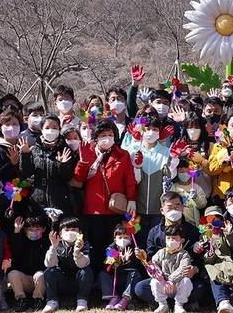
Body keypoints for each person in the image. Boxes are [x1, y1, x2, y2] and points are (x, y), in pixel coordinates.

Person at [74, 119, 135, 276]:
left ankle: (113, 274)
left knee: (114, 243)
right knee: (97, 244)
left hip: (116, 207)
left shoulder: (123, 155)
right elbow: (79, 179)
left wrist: (132, 199)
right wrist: (83, 161)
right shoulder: (89, 152)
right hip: (94, 208)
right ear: (95, 137)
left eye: (110, 134)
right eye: (102, 135)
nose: (107, 137)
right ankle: (97, 277)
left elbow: (129, 179)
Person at [124, 113, 171, 240]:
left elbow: (170, 176)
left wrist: (175, 160)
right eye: (148, 129)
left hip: (158, 209)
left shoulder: (166, 152)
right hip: (138, 208)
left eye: (155, 129)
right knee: (139, 241)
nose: (151, 132)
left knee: (156, 240)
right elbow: (131, 180)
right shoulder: (132, 150)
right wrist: (137, 167)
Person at [23, 116, 78, 217]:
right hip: (38, 195)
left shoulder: (65, 149)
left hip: (60, 196)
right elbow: (26, 173)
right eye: (47, 128)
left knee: (58, 227)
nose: (51, 130)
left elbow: (68, 177)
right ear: (41, 129)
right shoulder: (35, 149)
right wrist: (25, 155)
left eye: (54, 127)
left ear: (59, 129)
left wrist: (63, 165)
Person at [42, 216, 94, 313]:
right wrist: (53, 248)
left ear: (80, 233)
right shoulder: (57, 243)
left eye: (74, 229)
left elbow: (84, 264)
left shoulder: (84, 244)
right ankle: (52, 301)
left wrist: (77, 253)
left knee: (87, 271)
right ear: (61, 233)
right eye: (67, 230)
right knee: (49, 272)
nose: (70, 232)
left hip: (78, 281)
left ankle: (82, 300)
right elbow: (49, 264)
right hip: (62, 281)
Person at [148, 224, 193, 313]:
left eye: (174, 239)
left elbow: (183, 268)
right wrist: (156, 273)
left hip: (177, 285)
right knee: (154, 282)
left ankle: (179, 305)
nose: (170, 241)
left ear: (182, 240)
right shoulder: (160, 253)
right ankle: (162, 304)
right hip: (164, 285)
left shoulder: (184, 254)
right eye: (168, 238)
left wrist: (172, 280)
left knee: (186, 281)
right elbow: (153, 264)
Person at [8, 215, 49, 312]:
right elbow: (15, 249)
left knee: (41, 275)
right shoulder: (22, 240)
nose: (34, 231)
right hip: (25, 279)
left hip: (39, 280)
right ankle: (21, 299)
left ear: (43, 229)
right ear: (25, 229)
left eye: (38, 229)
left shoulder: (46, 242)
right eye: (30, 229)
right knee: (12, 274)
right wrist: (17, 230)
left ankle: (38, 299)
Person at [101, 224, 144, 311]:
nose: (123, 240)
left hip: (127, 278)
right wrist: (118, 259)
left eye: (126, 237)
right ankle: (114, 297)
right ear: (115, 239)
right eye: (120, 237)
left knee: (135, 273)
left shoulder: (134, 249)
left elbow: (136, 265)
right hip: (115, 278)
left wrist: (128, 260)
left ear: (130, 239)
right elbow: (108, 263)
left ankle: (125, 298)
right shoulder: (110, 249)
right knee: (103, 274)